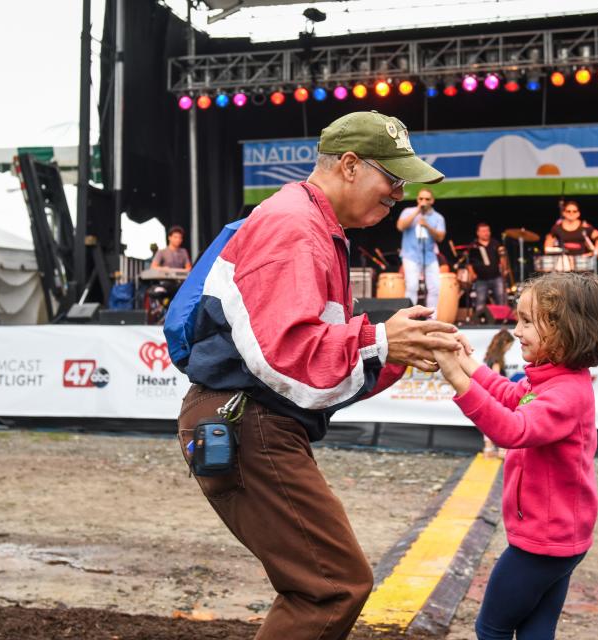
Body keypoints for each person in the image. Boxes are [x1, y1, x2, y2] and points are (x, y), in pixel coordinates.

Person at [177, 111, 468, 640]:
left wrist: (398, 351)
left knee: (326, 584)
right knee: (330, 586)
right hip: (251, 421)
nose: (400, 193)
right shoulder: (296, 227)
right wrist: (383, 341)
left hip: (248, 419)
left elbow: (312, 368)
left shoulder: (310, 224)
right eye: (394, 178)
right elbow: (287, 359)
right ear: (351, 166)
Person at [432, 271, 598, 640]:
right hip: (561, 540)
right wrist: (467, 362)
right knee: (536, 629)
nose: (516, 330)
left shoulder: (564, 393)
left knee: (492, 629)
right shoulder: (553, 381)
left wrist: (457, 380)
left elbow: (513, 430)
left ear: (565, 330)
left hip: (543, 544)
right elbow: (510, 394)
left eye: (526, 321)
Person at [397, 188, 446, 311]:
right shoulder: (408, 211)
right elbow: (400, 226)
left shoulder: (438, 217)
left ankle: (431, 319)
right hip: (410, 255)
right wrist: (417, 211)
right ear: (417, 200)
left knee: (434, 287)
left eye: (427, 199)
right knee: (412, 286)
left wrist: (428, 226)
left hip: (429, 256)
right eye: (421, 198)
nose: (423, 201)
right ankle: (410, 318)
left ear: (432, 201)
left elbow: (440, 237)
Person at [480, 328, 514, 457]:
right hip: (496, 395)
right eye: (509, 346)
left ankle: (489, 449)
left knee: (490, 422)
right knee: (499, 421)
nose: (509, 349)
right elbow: (496, 378)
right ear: (504, 342)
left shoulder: (490, 357)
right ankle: (500, 450)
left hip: (490, 394)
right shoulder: (496, 360)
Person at [468, 221, 508, 318]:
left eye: (487, 230)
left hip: (496, 277)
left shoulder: (495, 243)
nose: (486, 233)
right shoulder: (473, 246)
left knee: (501, 299)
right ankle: (479, 322)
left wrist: (504, 269)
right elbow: (469, 263)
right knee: (480, 302)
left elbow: (503, 258)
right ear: (478, 233)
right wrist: (472, 274)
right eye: (483, 231)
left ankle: (502, 319)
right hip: (481, 279)